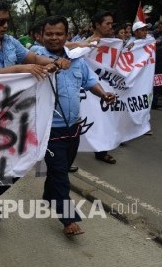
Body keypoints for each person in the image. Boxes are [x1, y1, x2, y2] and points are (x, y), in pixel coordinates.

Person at [0, 0, 70, 241]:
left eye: (7, 21)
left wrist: (54, 61)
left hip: (13, 117)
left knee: (22, 162)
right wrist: (18, 69)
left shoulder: (9, 42)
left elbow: (32, 59)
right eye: (1, 22)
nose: (5, 27)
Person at [37, 15, 116, 235]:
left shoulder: (77, 60)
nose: (54, 38)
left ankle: (49, 196)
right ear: (41, 35)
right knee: (60, 171)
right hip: (49, 129)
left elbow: (90, 81)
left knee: (59, 170)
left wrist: (103, 94)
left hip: (73, 128)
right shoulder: (34, 58)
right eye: (49, 34)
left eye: (59, 34)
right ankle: (68, 220)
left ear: (66, 35)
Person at [87, 11, 118, 164]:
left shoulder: (113, 43)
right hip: (91, 89)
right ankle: (98, 150)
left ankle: (102, 149)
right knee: (94, 118)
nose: (111, 27)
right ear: (97, 25)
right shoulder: (88, 44)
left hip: (106, 87)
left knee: (104, 118)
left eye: (112, 24)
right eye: (107, 23)